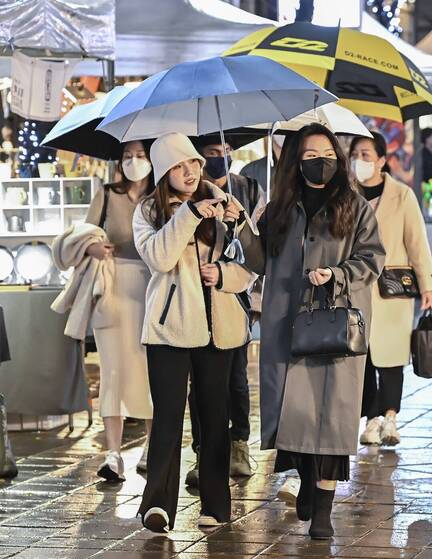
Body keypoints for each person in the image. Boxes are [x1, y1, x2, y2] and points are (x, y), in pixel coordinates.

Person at [241, 123, 384, 540]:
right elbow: (259, 261)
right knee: (298, 416)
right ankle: (305, 476)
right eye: (308, 155)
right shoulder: (279, 208)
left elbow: (372, 259)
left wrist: (337, 275)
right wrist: (244, 227)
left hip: (335, 325)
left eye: (325, 154)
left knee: (332, 419)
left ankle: (323, 510)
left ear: (337, 160)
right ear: (294, 160)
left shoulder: (355, 206)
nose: (318, 162)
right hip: (288, 324)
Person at [133, 133, 255, 532]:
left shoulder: (227, 204)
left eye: (194, 164)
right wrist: (190, 214)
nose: (190, 172)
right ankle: (158, 506)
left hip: (218, 329)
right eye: (179, 166)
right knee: (168, 417)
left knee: (214, 418)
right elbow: (160, 258)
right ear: (164, 173)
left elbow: (251, 268)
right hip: (169, 330)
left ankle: (217, 505)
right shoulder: (148, 212)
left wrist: (224, 269)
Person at [182, 137, 264, 484]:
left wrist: (239, 221)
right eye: (212, 154)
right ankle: (203, 450)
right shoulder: (189, 193)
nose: (219, 159)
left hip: (234, 298)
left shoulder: (246, 187)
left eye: (225, 153)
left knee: (235, 379)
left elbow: (258, 248)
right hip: (193, 301)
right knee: (198, 384)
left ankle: (238, 444)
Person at [349, 131, 432, 447]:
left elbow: (417, 242)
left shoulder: (402, 195)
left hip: (392, 291)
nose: (360, 161)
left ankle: (390, 418)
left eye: (366, 155)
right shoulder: (347, 195)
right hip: (356, 289)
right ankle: (370, 419)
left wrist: (428, 284)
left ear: (383, 160)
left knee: (391, 357)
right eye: (356, 154)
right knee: (364, 356)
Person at [74, 140, 155, 482]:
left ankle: (154, 447)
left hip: (153, 288)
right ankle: (113, 454)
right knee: (112, 371)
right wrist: (92, 246)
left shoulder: (162, 196)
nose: (133, 161)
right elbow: (82, 234)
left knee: (152, 370)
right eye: (127, 155)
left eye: (141, 155)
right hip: (112, 287)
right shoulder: (107, 194)